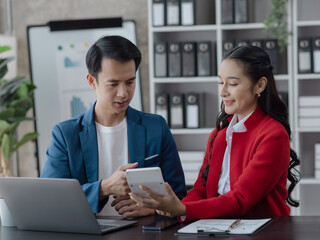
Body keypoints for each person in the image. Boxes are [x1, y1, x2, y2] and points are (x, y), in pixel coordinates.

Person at [130, 45, 300, 221]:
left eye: (233, 84)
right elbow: (200, 191)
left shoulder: (273, 135)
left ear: (260, 85)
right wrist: (165, 209)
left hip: (262, 232)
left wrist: (181, 209)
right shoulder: (219, 135)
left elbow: (241, 199)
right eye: (221, 82)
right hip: (218, 229)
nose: (223, 91)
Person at [41, 35, 187, 218]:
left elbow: (180, 195)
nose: (123, 93)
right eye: (113, 84)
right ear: (91, 81)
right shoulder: (65, 135)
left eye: (130, 82)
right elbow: (50, 199)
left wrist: (152, 208)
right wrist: (104, 187)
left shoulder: (156, 127)